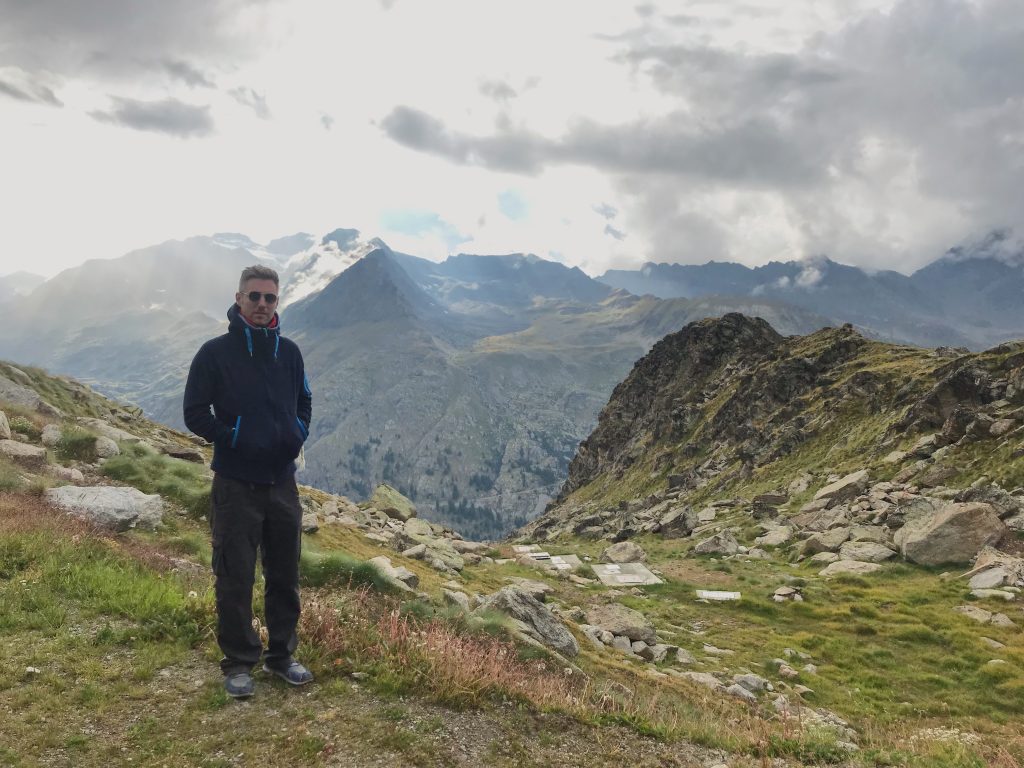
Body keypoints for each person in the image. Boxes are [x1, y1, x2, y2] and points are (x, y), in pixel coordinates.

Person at [183, 265, 314, 698]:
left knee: (284, 575)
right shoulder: (215, 352)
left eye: (269, 298)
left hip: (282, 484)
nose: (261, 305)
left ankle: (282, 656)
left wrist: (296, 433)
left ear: (278, 303)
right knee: (235, 576)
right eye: (254, 296)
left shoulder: (290, 352)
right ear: (239, 298)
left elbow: (304, 401)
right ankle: (239, 663)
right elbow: (195, 412)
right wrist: (234, 437)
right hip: (236, 484)